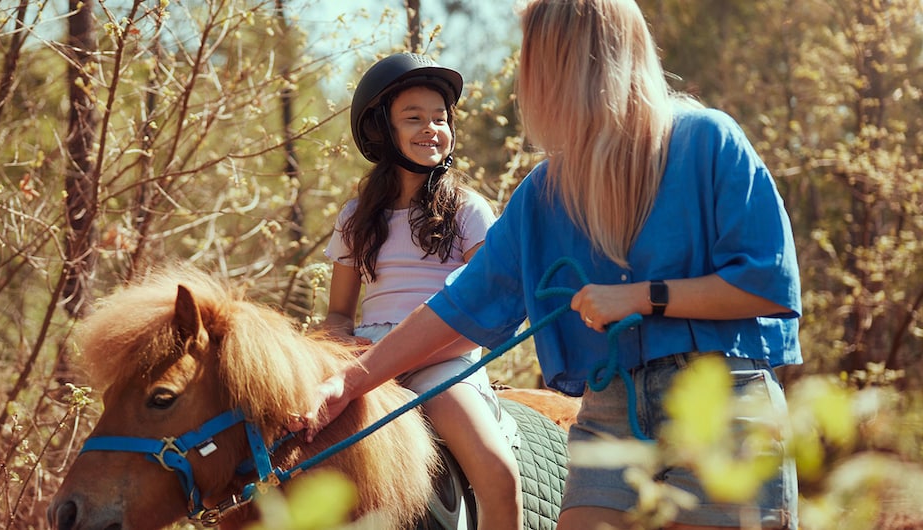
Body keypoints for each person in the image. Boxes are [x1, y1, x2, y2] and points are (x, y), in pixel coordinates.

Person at [297, 1, 802, 529]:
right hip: (610, 407)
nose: (525, 78)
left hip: (720, 396)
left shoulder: (708, 141)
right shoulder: (542, 193)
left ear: (582, 60)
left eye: (535, 57)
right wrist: (346, 383)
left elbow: (768, 284)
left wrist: (639, 297)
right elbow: (461, 303)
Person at [319, 52, 526, 528]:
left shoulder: (469, 210)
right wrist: (340, 348)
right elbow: (338, 315)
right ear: (380, 131)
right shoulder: (355, 217)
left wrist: (402, 355)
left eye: (440, 118)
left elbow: (486, 312)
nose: (431, 128)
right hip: (370, 361)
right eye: (413, 118)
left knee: (498, 472)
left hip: (444, 361)